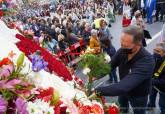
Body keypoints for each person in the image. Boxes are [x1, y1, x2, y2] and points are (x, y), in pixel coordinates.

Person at [94, 25, 155, 114]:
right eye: (121, 43)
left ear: (138, 44)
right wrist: (97, 74)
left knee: (139, 112)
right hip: (123, 92)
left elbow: (124, 86)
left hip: (138, 95)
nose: (122, 48)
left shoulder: (147, 61)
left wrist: (97, 91)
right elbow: (111, 65)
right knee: (122, 109)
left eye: (126, 46)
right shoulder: (123, 50)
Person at [147, 43, 165, 114]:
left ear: (164, 53)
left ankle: (163, 110)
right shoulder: (154, 58)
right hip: (154, 83)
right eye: (154, 50)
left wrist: (153, 81)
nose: (155, 53)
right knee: (151, 96)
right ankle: (151, 105)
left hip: (163, 88)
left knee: (162, 103)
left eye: (158, 51)